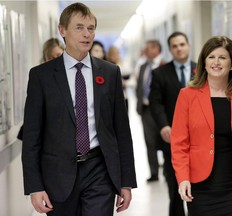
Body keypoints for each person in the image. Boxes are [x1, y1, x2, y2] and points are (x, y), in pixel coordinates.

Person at [21, 3, 137, 216]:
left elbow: (121, 131)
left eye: (91, 28)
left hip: (99, 169)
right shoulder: (42, 76)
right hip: (58, 174)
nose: (87, 34)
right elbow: (32, 136)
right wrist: (34, 186)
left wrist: (126, 182)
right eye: (79, 27)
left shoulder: (110, 73)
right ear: (62, 30)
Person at [170, 36, 232, 216]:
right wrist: (182, 178)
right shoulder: (187, 96)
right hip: (201, 189)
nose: (216, 62)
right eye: (211, 57)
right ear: (204, 63)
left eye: (222, 57)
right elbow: (179, 144)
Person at [149, 32, 196, 216]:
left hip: (199, 141)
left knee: (198, 189)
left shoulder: (201, 70)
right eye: (175, 46)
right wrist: (163, 126)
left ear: (188, 45)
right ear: (170, 49)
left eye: (182, 44)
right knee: (175, 188)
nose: (179, 48)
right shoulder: (160, 73)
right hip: (172, 140)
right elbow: (156, 102)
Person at [17, 37, 65, 140]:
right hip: (46, 135)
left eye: (58, 56)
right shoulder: (39, 78)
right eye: (51, 57)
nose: (55, 60)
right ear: (45, 58)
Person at [136, 39, 165, 182]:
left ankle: (168, 169)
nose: (146, 51)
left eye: (149, 48)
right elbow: (139, 86)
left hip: (162, 110)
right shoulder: (143, 66)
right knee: (149, 141)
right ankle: (154, 172)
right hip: (146, 109)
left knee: (165, 140)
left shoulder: (164, 66)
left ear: (157, 49)